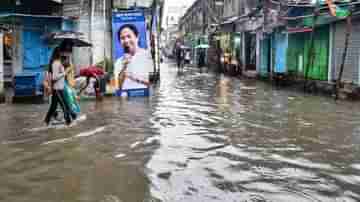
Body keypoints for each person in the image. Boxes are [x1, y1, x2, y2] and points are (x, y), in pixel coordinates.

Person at [114, 24, 152, 91]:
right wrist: (124, 66)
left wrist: (133, 76)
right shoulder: (119, 62)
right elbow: (118, 87)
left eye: (129, 36)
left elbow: (153, 83)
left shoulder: (146, 55)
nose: (126, 41)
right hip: (125, 98)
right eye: (122, 38)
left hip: (143, 97)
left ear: (137, 37)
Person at [44, 47, 76, 126]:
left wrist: (66, 70)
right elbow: (54, 77)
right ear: (58, 53)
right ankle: (68, 122)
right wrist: (65, 73)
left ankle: (46, 121)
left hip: (60, 88)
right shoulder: (56, 63)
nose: (63, 54)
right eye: (61, 52)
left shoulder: (59, 62)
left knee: (54, 106)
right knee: (64, 105)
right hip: (57, 89)